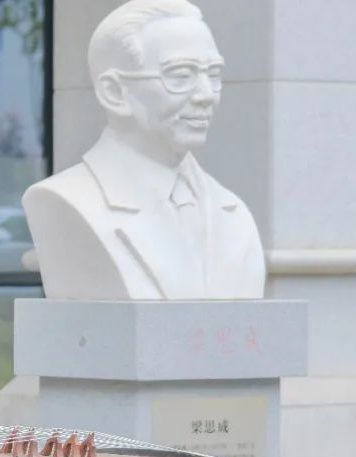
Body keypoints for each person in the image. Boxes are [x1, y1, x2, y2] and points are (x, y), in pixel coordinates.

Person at [23, 0, 265, 300]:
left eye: (213, 74)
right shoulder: (64, 200)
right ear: (114, 92)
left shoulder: (233, 213)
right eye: (181, 75)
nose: (206, 95)